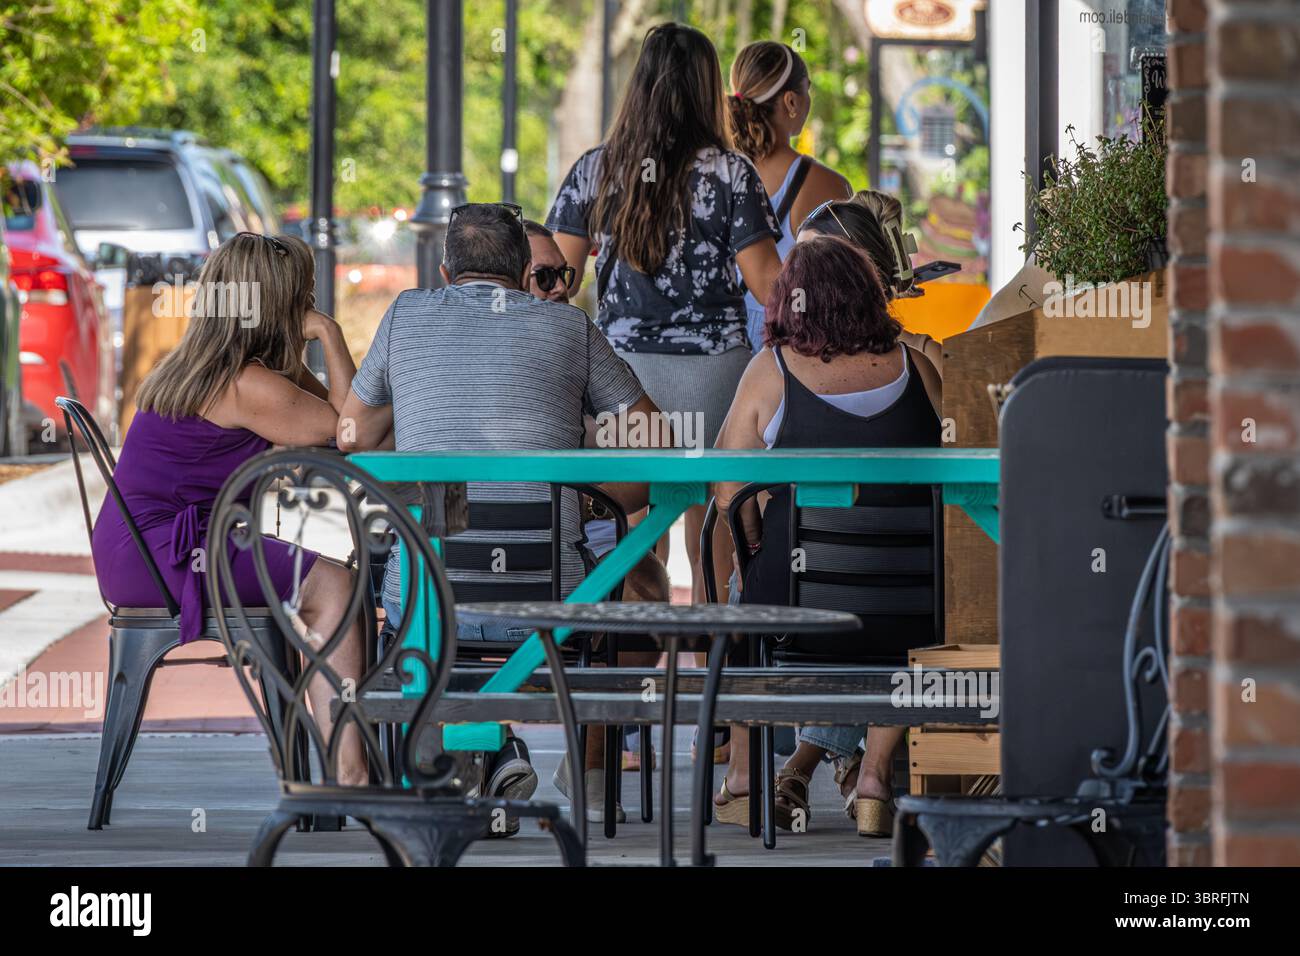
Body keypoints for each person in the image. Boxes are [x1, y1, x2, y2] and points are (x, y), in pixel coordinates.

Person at [339, 203, 669, 824]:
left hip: (426, 606)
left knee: (437, 563)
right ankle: (512, 759)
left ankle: (468, 760)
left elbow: (350, 433)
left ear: (443, 271)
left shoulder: (406, 313)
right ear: (523, 273)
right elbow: (651, 435)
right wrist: (569, 457)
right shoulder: (570, 329)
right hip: (552, 610)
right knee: (633, 577)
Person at [91, 232, 368, 784]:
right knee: (335, 584)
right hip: (166, 553)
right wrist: (329, 334)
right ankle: (352, 771)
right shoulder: (247, 384)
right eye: (303, 294)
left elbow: (338, 414)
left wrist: (305, 349)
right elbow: (353, 430)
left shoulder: (212, 367)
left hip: (139, 550)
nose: (310, 303)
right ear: (276, 304)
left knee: (339, 582)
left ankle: (346, 763)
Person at [546, 21, 784, 605]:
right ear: (705, 88)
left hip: (623, 384)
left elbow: (556, 280)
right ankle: (710, 678)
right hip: (716, 380)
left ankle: (641, 677)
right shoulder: (731, 173)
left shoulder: (596, 169)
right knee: (713, 535)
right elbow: (766, 284)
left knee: (635, 536)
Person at [712, 237, 941, 836]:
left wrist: (755, 550)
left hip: (802, 613)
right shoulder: (919, 370)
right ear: (870, 298)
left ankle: (743, 780)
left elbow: (728, 487)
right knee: (893, 609)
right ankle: (874, 778)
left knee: (746, 583)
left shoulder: (774, 371)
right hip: (915, 612)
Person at [727, 40, 852, 352]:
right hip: (783, 350)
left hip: (715, 347)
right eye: (808, 89)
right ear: (791, 101)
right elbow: (846, 287)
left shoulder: (711, 172)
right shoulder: (824, 185)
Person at [799, 191, 946, 372]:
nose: (798, 276)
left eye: (814, 262)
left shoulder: (928, 358)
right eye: (796, 261)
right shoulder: (790, 359)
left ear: (861, 268)